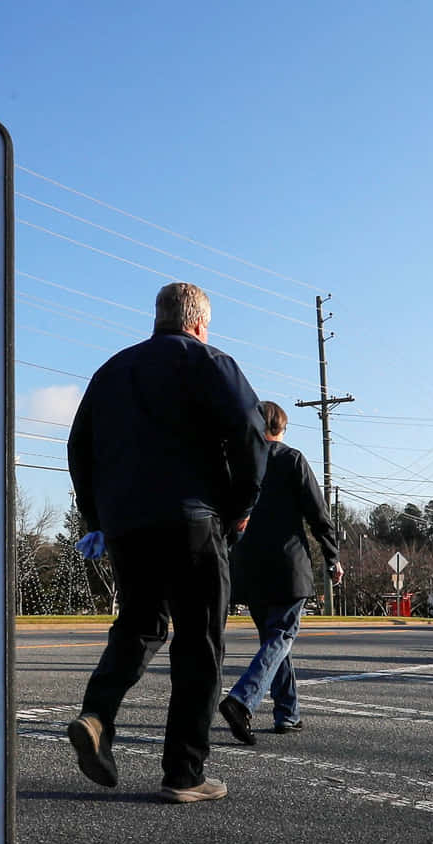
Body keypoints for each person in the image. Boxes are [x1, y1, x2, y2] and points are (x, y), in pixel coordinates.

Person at [64, 282, 267, 803]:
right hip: (194, 523)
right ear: (198, 323)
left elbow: (79, 446)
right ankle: (185, 773)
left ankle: (97, 715)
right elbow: (251, 428)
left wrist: (97, 518)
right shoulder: (210, 362)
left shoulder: (111, 371)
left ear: (157, 317)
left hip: (128, 527)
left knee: (139, 625)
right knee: (199, 644)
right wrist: (241, 506)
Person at [216, 402, 339, 743]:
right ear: (282, 427)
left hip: (249, 569)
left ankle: (288, 713)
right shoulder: (292, 459)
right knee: (281, 637)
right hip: (288, 567)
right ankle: (242, 700)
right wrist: (333, 558)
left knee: (273, 641)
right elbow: (318, 514)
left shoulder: (238, 463)